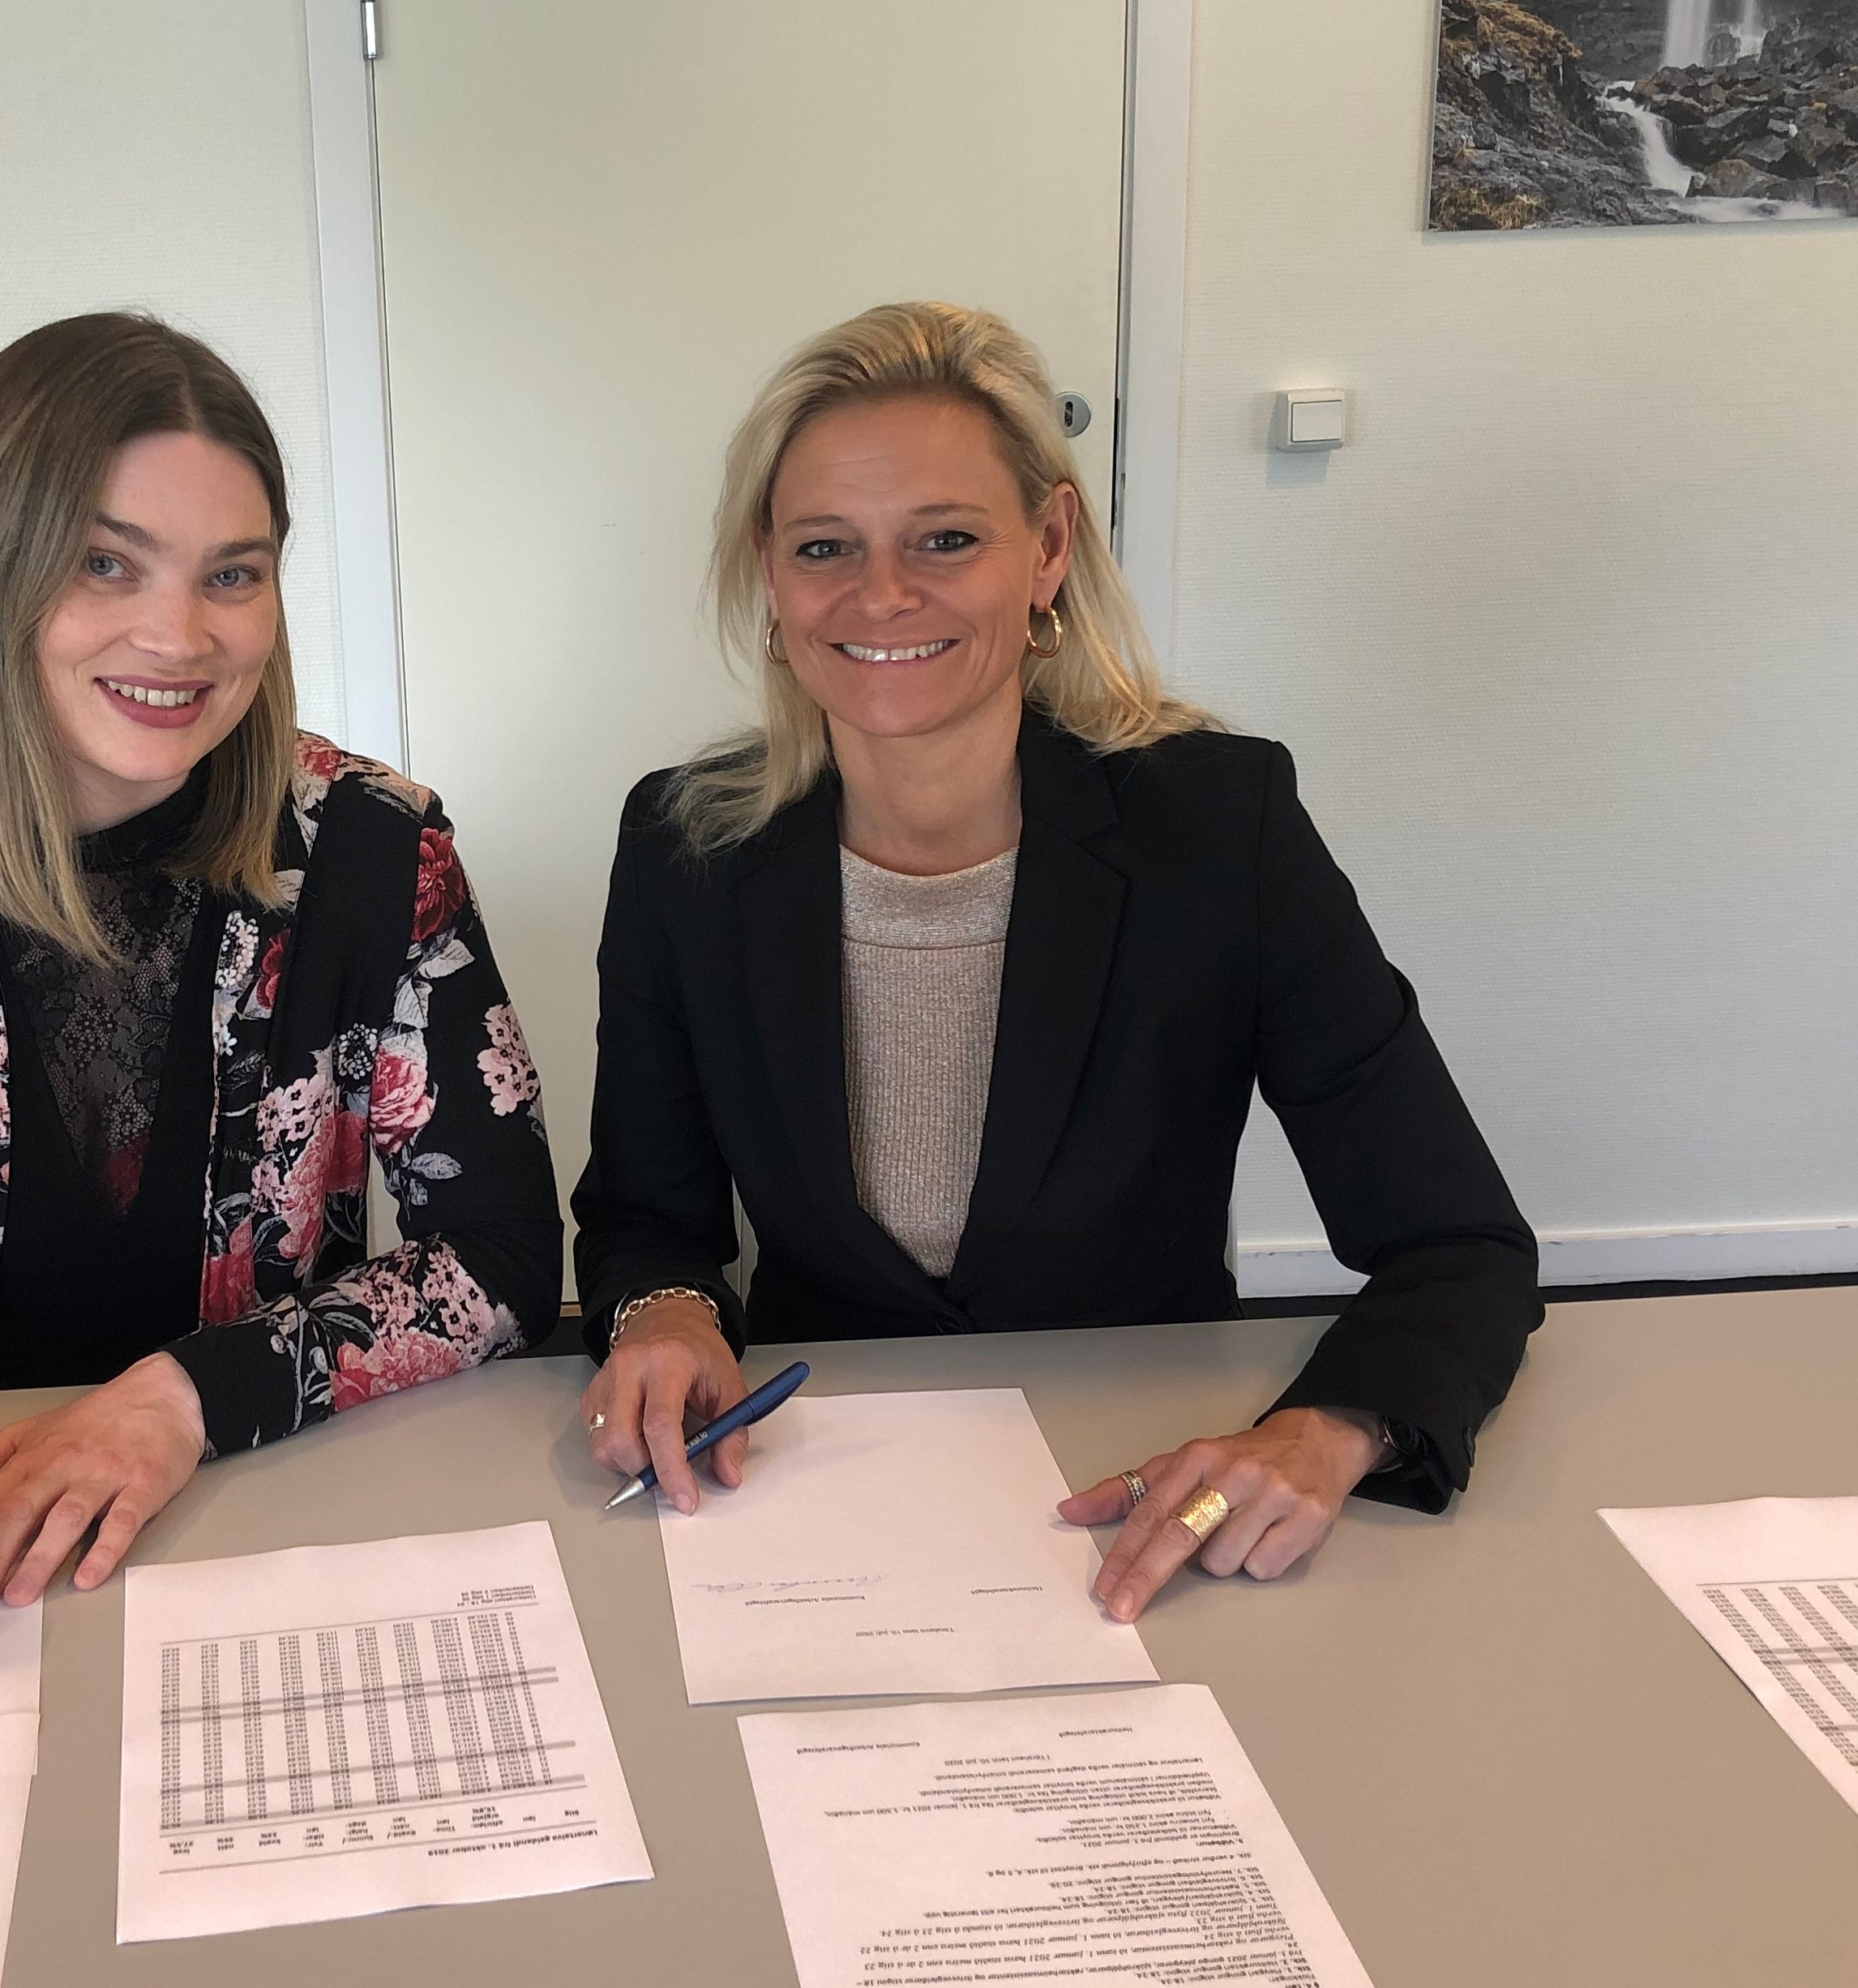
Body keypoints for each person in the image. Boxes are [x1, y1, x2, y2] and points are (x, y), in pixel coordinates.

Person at [572, 302, 1539, 1623]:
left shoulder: (1219, 828)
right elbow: (646, 1218)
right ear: (770, 575)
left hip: (1142, 1485)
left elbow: (1460, 1243)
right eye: (824, 547)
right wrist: (668, 1310)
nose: (880, 595)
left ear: (1046, 548)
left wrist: (1327, 1430)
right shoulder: (685, 846)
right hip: (804, 1487)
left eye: (945, 539)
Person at [0, 313, 560, 1672]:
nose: (179, 635)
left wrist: (183, 1401)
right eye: (104, 563)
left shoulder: (372, 846)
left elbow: (499, 1254)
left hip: (253, 1499)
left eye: (232, 574)